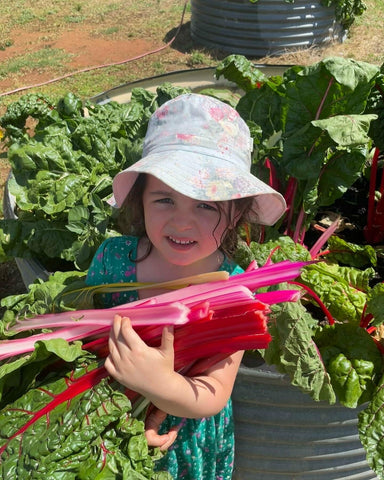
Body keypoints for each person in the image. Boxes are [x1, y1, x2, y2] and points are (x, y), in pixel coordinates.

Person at [86, 93, 286, 479]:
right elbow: (88, 349)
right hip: (109, 420)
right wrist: (126, 413)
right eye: (164, 199)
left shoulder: (236, 293)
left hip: (186, 438)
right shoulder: (112, 261)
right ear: (139, 200)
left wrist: (160, 386)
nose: (182, 222)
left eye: (206, 205)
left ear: (236, 213)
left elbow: (214, 392)